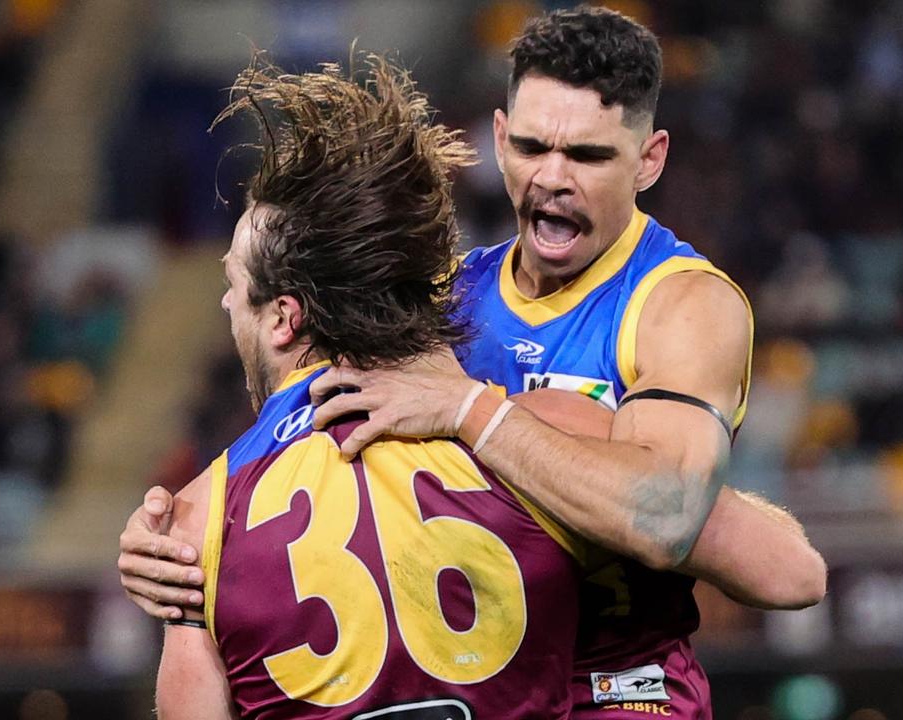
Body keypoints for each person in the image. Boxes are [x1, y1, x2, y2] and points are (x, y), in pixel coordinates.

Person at [125, 8, 827, 719]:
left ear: (650, 159)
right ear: (497, 139)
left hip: (620, 691)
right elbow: (305, 452)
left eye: (586, 156)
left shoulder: (678, 304)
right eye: (529, 148)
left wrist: (471, 410)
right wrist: (174, 543)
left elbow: (673, 517)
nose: (551, 178)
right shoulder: (448, 297)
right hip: (483, 677)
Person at [155, 55, 592, 719]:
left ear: (283, 319)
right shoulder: (547, 432)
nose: (223, 306)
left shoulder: (195, 524)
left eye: (233, 287)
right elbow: (779, 570)